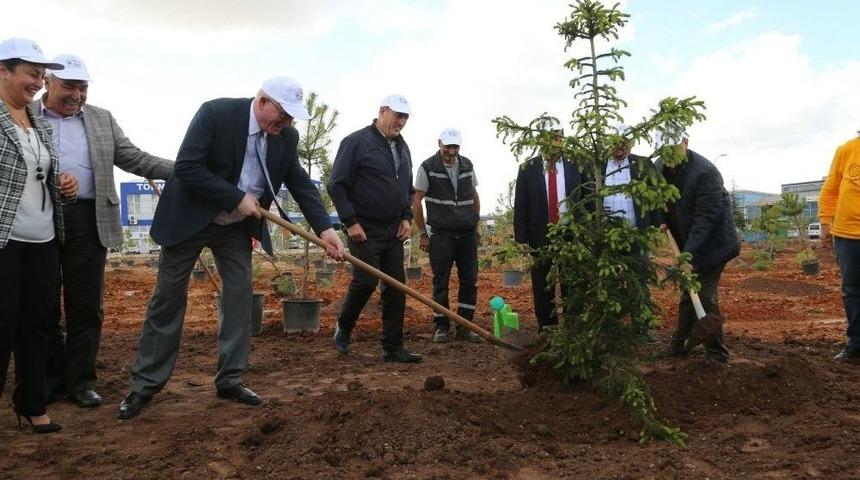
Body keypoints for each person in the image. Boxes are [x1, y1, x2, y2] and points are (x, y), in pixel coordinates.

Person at [117, 77, 345, 420]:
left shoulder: (286, 136)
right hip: (190, 218)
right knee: (168, 299)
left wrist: (326, 228)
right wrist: (236, 197)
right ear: (263, 101)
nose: (284, 125)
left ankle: (231, 379)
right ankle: (145, 384)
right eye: (281, 116)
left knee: (239, 297)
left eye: (290, 120)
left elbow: (297, 181)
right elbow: (188, 168)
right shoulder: (216, 114)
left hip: (234, 230)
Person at [32, 54, 175, 408]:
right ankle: (48, 380)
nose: (77, 95)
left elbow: (134, 158)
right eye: (69, 87)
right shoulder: (25, 116)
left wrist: (183, 169)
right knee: (41, 304)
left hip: (88, 218)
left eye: (82, 88)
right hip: (38, 217)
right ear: (48, 82)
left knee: (85, 306)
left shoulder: (101, 119)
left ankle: (80, 382)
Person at [0, 37, 77, 433]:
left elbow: (43, 172)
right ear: (3, 71)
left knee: (38, 326)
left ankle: (33, 405)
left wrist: (64, 183)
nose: (39, 82)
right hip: (4, 241)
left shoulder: (37, 121)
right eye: (32, 73)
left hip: (43, 240)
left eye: (42, 75)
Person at [327, 94, 422, 363]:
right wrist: (350, 222)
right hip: (364, 229)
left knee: (396, 287)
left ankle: (393, 347)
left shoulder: (403, 148)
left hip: (394, 230)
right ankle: (344, 328)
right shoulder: (356, 142)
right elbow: (336, 184)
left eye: (405, 117)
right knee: (365, 281)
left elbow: (407, 187)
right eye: (397, 115)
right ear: (382, 111)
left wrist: (406, 217)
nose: (401, 122)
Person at [655, 131, 740, 364]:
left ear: (685, 142)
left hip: (715, 243)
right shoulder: (659, 167)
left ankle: (716, 354)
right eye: (663, 150)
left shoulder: (706, 172)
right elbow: (656, 200)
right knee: (688, 294)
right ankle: (679, 344)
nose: (668, 155)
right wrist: (659, 219)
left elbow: (706, 219)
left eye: (673, 148)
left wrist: (688, 256)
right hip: (686, 242)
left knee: (703, 294)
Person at [412, 128, 482, 343]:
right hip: (441, 235)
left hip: (467, 234)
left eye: (455, 147)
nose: (451, 151)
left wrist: (476, 223)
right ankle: (441, 325)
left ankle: (464, 326)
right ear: (440, 143)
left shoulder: (468, 164)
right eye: (448, 146)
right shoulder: (428, 167)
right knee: (440, 281)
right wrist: (423, 234)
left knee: (469, 281)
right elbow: (417, 201)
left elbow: (474, 194)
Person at [513, 128, 585, 330]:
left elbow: (586, 196)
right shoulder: (528, 168)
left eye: (557, 140)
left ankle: (573, 326)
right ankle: (547, 327)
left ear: (562, 141)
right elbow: (521, 204)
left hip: (570, 233)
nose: (553, 144)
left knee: (571, 280)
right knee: (543, 283)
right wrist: (521, 239)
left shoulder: (575, 165)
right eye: (549, 140)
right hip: (539, 234)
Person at [819, 132, 860, 364]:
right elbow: (831, 187)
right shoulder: (847, 150)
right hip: (847, 235)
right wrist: (825, 222)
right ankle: (856, 344)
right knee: (852, 290)